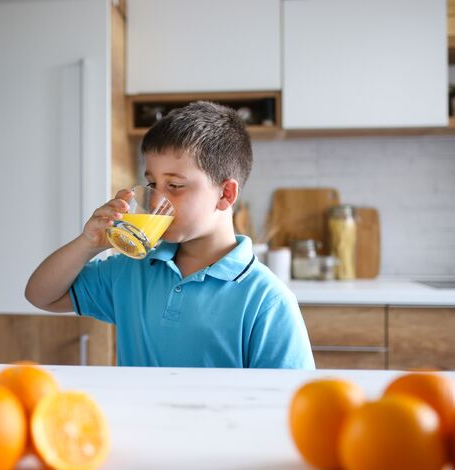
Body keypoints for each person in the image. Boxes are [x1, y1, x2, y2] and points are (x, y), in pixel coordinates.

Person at [25, 101, 314, 369]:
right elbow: (41, 296)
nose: (154, 201)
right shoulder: (131, 270)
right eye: (152, 183)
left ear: (226, 194)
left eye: (175, 186)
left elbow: (285, 404)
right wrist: (88, 243)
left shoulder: (267, 300)